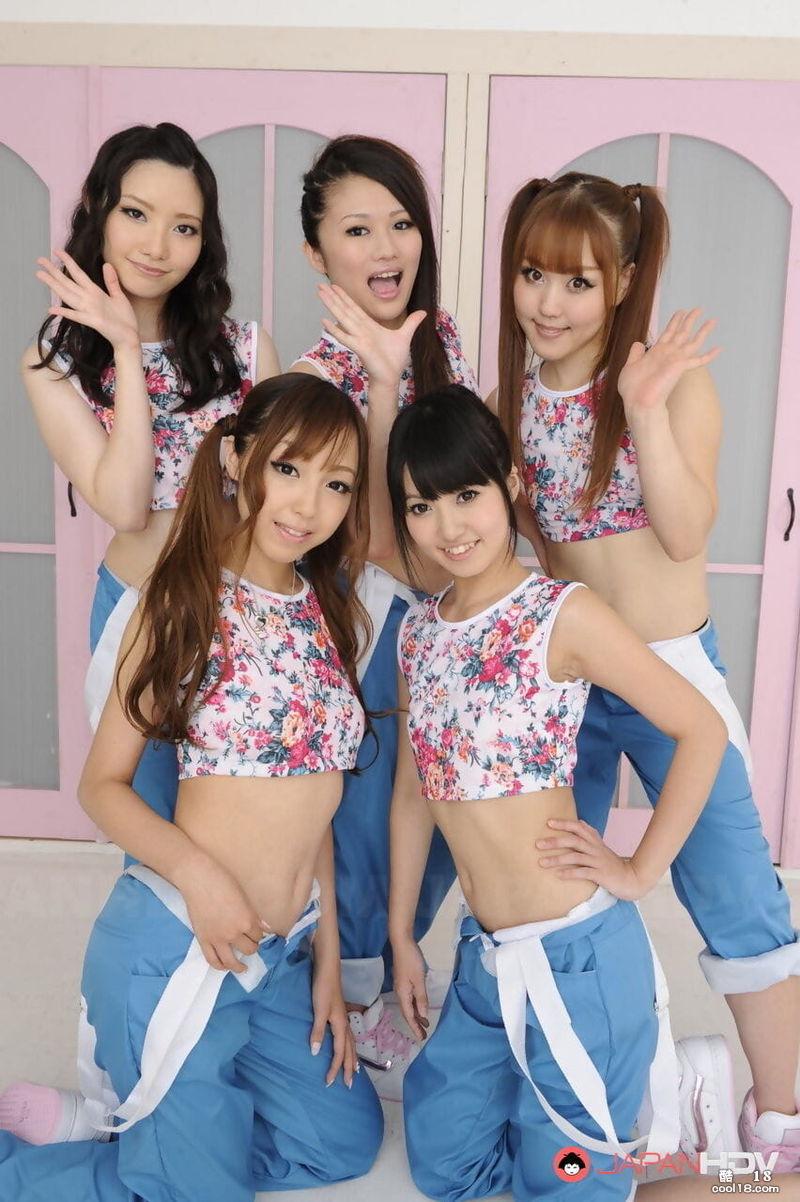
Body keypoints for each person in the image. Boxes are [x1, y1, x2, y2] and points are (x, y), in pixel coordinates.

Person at [0, 374, 383, 1201]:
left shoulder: (325, 608)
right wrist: (203, 880)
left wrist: (326, 958)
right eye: (289, 468)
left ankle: (136, 1138)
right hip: (179, 945)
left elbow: (315, 800)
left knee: (341, 1143)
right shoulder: (181, 600)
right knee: (190, 1191)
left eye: (337, 484)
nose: (309, 504)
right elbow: (102, 788)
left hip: (272, 959)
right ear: (238, 459)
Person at [494, 172, 800, 1170]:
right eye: (531, 273)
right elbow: (528, 551)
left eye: (577, 281)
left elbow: (682, 532)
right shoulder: (511, 401)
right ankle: (594, 1096)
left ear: (622, 281)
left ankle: (781, 1123)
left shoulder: (667, 382)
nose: (547, 302)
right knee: (554, 893)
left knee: (737, 895)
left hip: (669, 676)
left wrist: (641, 409)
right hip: (569, 682)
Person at [386, 386, 743, 1202]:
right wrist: (404, 934)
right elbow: (412, 793)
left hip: (575, 964)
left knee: (577, 1188)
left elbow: (701, 729)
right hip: (485, 962)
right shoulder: (419, 630)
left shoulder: (561, 614)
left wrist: (639, 870)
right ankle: (624, 1115)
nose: (448, 526)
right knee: (445, 1171)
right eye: (421, 506)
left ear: (511, 483)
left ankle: (752, 1177)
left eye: (466, 494)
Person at [290, 135, 477, 1087]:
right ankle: (359, 1008)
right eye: (357, 229)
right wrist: (380, 386)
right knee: (365, 827)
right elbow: (367, 538)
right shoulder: (311, 378)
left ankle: (387, 981)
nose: (386, 247)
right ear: (317, 252)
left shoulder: (441, 345)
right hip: (365, 631)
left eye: (401, 223)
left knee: (439, 818)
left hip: (447, 622)